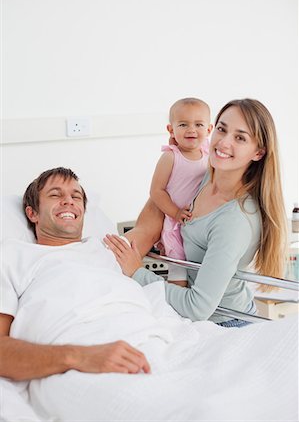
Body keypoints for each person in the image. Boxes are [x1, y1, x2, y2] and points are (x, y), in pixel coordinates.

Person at [105, 98, 288, 327]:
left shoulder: (235, 221)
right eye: (222, 129)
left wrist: (137, 272)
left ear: (258, 153)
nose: (223, 142)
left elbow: (197, 307)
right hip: (194, 315)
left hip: (225, 323)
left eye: (240, 137)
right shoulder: (208, 176)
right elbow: (161, 197)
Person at [0, 167, 151, 380]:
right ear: (32, 213)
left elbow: (150, 224)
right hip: (84, 360)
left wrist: (183, 156)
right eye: (55, 194)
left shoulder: (107, 248)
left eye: (76, 196)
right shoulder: (13, 255)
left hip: (154, 338)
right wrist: (81, 356)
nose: (69, 201)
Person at [150, 97, 212, 286]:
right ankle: (175, 309)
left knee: (201, 268)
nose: (191, 129)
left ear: (209, 130)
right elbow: (156, 191)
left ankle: (196, 305)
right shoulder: (170, 157)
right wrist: (175, 212)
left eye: (199, 124)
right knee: (179, 268)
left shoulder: (209, 154)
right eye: (183, 124)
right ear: (171, 130)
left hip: (200, 222)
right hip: (176, 223)